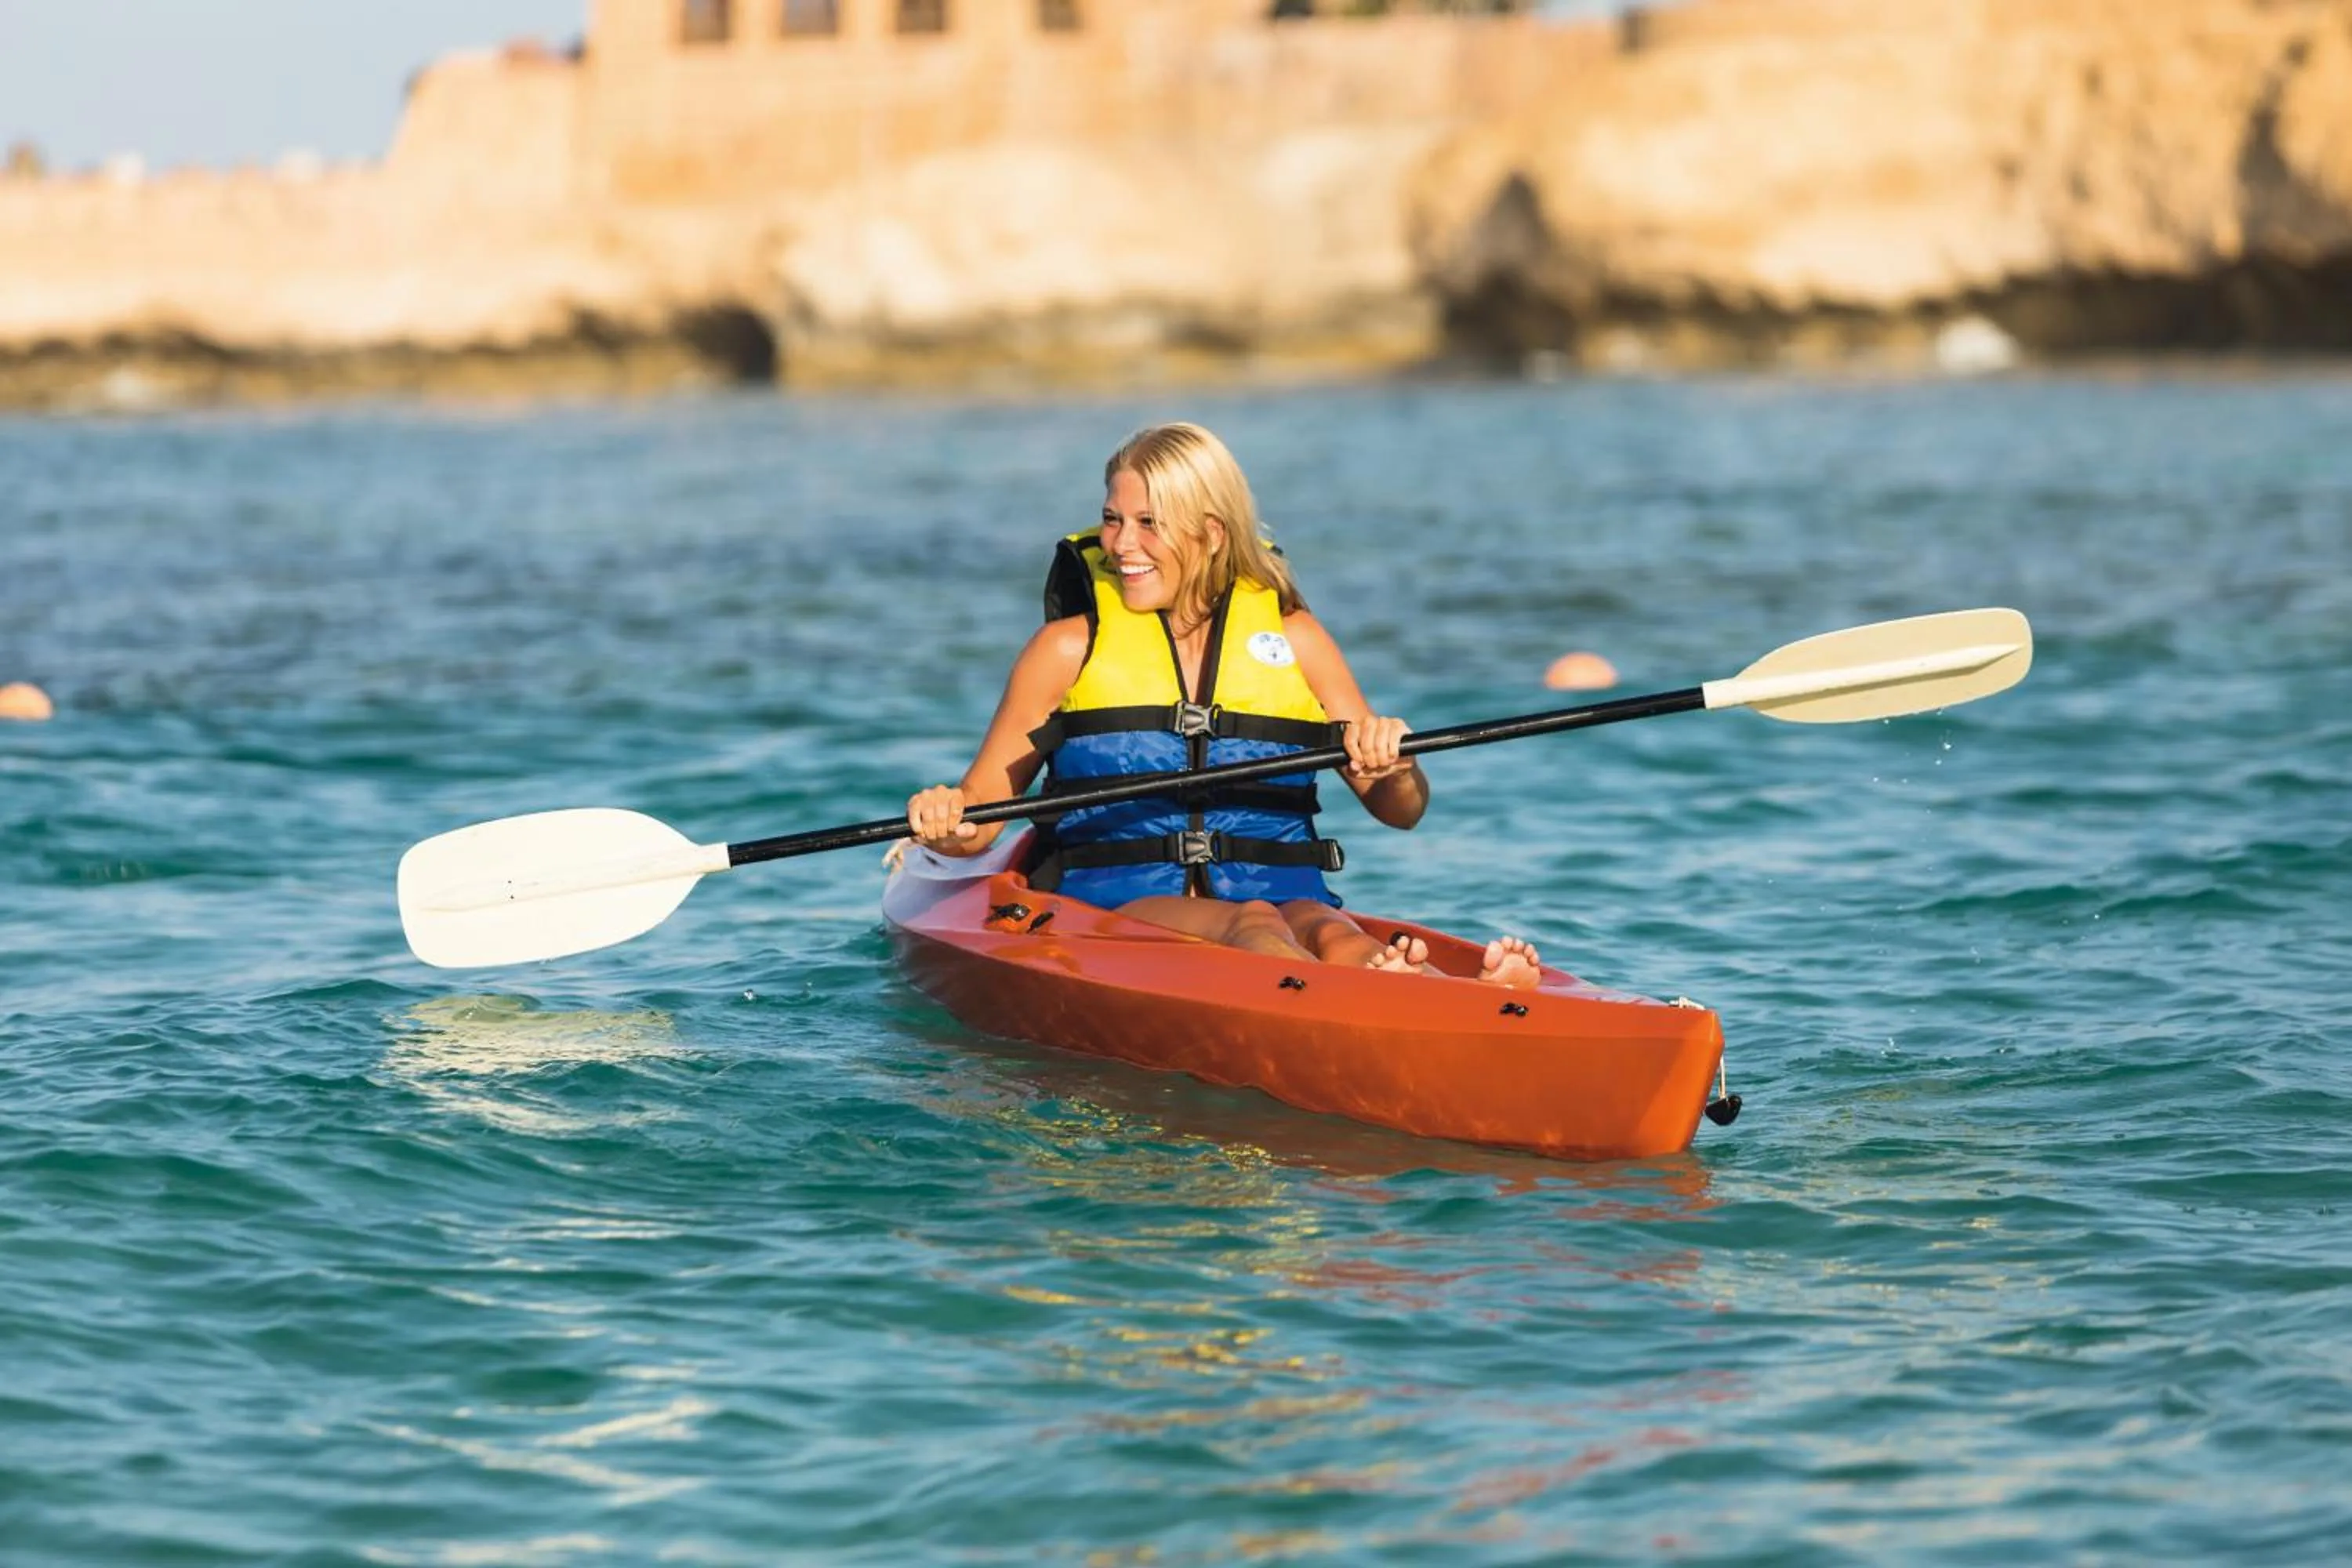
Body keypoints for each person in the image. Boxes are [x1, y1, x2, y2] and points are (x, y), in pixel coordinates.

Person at [906, 423, 1538, 986]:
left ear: (1210, 534)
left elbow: (1402, 812)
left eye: (1149, 523)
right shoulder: (1067, 648)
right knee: (1255, 923)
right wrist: (948, 821)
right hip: (1118, 911)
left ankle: (1435, 991)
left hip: (1282, 894)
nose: (1121, 544)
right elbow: (982, 819)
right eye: (1113, 518)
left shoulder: (1295, 638)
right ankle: (1370, 999)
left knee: (1326, 927)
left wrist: (1395, 769)